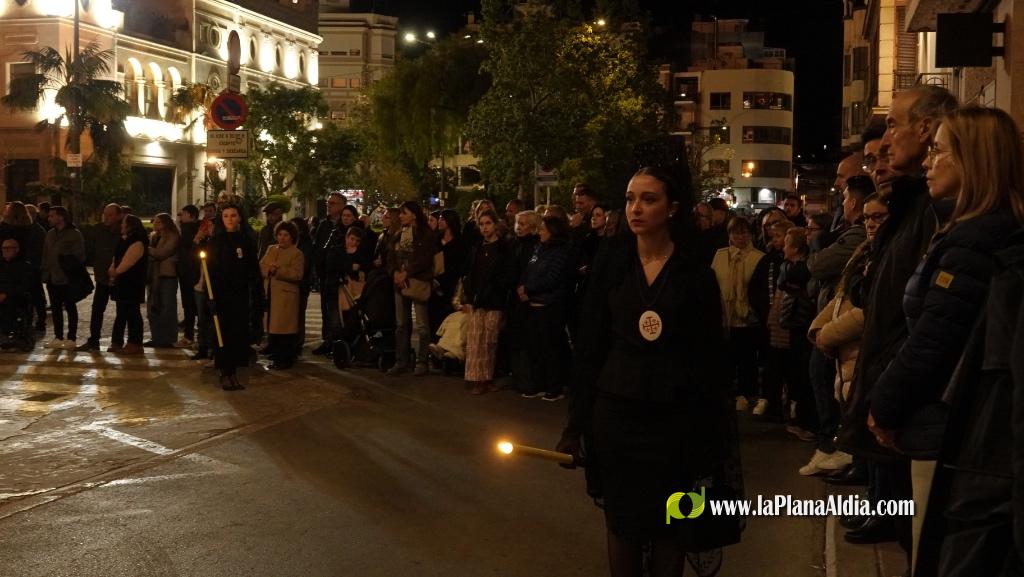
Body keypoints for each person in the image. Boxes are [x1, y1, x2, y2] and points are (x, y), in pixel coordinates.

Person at [864, 107, 1024, 576]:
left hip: (951, 429)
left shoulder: (974, 241)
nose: (928, 162)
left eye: (938, 151)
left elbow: (935, 339)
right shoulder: (970, 232)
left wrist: (885, 404)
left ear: (973, 161)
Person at [556, 166, 739, 576]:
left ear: (672, 208)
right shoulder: (612, 265)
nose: (635, 208)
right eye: (630, 198)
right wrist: (575, 424)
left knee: (672, 523)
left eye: (648, 199)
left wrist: (710, 435)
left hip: (675, 419)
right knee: (623, 524)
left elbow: (710, 359)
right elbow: (590, 347)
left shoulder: (696, 275)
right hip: (617, 416)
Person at [837, 85, 957, 554]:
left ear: (926, 130)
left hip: (915, 410)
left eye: (892, 124)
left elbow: (925, 327)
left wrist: (886, 396)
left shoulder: (935, 214)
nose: (884, 144)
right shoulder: (912, 209)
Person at [711, 217, 766, 414]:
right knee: (725, 358)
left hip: (748, 319)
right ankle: (727, 394)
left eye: (744, 232)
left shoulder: (758, 257)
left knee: (746, 359)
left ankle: (745, 394)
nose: (740, 237)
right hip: (725, 316)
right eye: (735, 233)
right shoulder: (720, 255)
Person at [206, 204, 263, 391]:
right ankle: (225, 371)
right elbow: (211, 271)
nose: (230, 219)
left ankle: (234, 370)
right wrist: (211, 296)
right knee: (223, 333)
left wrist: (255, 290)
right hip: (222, 295)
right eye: (226, 216)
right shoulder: (216, 241)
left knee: (237, 332)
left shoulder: (246, 240)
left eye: (233, 215)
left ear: (239, 218)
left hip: (240, 294)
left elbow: (252, 267)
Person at [518, 215, 574, 401]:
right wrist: (523, 286)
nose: (539, 232)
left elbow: (553, 278)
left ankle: (554, 386)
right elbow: (528, 271)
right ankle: (538, 383)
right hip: (533, 305)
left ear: (553, 231)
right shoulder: (538, 248)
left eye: (543, 229)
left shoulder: (561, 252)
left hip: (550, 307)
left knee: (551, 348)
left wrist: (529, 288)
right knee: (536, 347)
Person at [460, 209, 513, 394]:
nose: (484, 228)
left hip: (494, 301)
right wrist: (468, 296)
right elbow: (469, 274)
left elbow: (506, 275)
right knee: (476, 340)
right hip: (477, 301)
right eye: (481, 224)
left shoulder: (503, 248)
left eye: (488, 223)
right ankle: (477, 378)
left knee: (490, 341)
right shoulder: (477, 248)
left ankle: (488, 377)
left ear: (495, 224)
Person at [386, 201, 436, 376]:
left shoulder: (426, 234)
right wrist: (395, 273)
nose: (400, 216)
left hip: (418, 281)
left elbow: (425, 259)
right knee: (401, 324)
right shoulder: (398, 234)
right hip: (400, 283)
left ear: (414, 214)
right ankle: (402, 360)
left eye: (404, 213)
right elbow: (391, 256)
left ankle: (422, 361)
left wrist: (407, 272)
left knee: (422, 325)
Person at [260, 221, 305, 370]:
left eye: (286, 235)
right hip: (271, 293)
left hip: (286, 296)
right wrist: (268, 270)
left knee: (284, 329)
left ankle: (285, 358)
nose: (282, 238)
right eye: (280, 234)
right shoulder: (271, 249)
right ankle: (276, 354)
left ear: (292, 237)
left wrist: (278, 271)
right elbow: (261, 265)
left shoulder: (297, 253)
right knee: (273, 326)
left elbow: (297, 274)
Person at [40, 206, 85, 350]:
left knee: (70, 307)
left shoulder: (74, 234)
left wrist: (67, 264)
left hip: (67, 277)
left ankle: (71, 337)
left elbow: (80, 256)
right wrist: (45, 271)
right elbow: (45, 253)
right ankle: (58, 337)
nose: (49, 218)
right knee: (56, 308)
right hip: (52, 277)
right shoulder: (50, 234)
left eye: (52, 216)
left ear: (61, 217)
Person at [108, 215, 149, 355]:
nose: (121, 226)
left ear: (130, 226)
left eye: (123, 223)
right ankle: (117, 341)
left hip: (132, 281)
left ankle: (135, 342)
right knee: (121, 312)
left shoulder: (137, 242)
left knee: (133, 313)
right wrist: (113, 269)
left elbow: (129, 261)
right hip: (122, 281)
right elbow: (117, 256)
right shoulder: (123, 240)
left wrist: (116, 271)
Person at [312, 192, 346, 355]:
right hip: (325, 274)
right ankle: (327, 340)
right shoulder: (323, 225)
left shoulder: (345, 225)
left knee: (337, 311)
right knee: (326, 309)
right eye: (328, 203)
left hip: (340, 276)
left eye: (332, 203)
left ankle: (339, 343)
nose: (329, 205)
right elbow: (318, 248)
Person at [145, 213, 180, 348]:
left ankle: (168, 338)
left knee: (167, 308)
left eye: (159, 222)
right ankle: (157, 337)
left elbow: (162, 253)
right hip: (153, 276)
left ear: (166, 223)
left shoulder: (173, 237)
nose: (155, 224)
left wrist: (148, 250)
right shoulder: (153, 237)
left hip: (167, 275)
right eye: (155, 222)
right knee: (153, 307)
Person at [0, 238, 33, 349]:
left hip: (16, 296)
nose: (5, 250)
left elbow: (24, 286)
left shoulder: (24, 266)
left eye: (9, 248)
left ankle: (7, 333)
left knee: (9, 304)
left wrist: (6, 294)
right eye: (4, 248)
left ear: (17, 249)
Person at [176, 205, 200, 348]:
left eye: (183, 214)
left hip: (191, 272)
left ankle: (190, 335)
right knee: (189, 305)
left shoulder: (191, 230)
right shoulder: (188, 228)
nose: (181, 216)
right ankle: (189, 334)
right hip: (186, 271)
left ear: (191, 215)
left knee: (191, 304)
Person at [290, 216, 314, 356]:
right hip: (288, 286)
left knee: (298, 314)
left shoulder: (305, 244)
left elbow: (304, 265)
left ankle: (298, 342)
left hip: (301, 285)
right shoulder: (290, 242)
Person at [23, 204, 47, 332]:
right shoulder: (38, 230)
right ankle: (37, 320)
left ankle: (38, 321)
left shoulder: (35, 231)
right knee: (36, 295)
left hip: (33, 268)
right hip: (33, 267)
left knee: (36, 295)